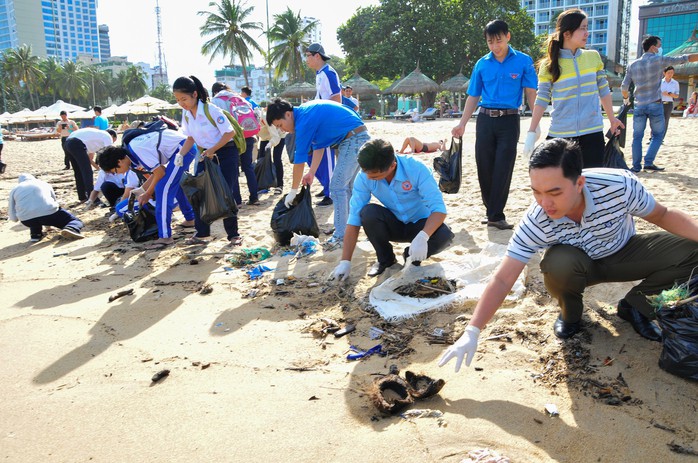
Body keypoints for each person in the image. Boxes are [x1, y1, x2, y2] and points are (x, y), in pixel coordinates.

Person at [438, 138, 698, 372]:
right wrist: (472, 331)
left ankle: (635, 306)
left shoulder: (619, 185)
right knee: (556, 263)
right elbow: (504, 278)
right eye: (536, 192)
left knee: (692, 251)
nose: (545, 203)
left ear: (579, 182)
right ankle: (570, 315)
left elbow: (662, 215)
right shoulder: (537, 219)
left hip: (624, 252)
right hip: (579, 268)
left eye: (554, 192)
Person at [452, 19, 538, 230]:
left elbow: (531, 94)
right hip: (484, 120)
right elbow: (473, 96)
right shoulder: (482, 64)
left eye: (498, 40)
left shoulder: (524, 61)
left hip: (509, 120)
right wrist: (462, 123)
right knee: (484, 166)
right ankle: (491, 210)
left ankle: (496, 215)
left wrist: (534, 126)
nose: (495, 46)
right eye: (490, 42)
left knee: (503, 166)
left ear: (508, 37)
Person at [329, 139, 454, 279]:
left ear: (392, 166)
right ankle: (386, 260)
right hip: (395, 224)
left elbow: (439, 209)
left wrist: (423, 236)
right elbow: (354, 219)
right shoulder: (364, 177)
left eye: (375, 176)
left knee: (445, 235)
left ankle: (411, 257)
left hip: (421, 225)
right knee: (368, 213)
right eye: (367, 173)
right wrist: (345, 261)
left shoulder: (416, 168)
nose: (369, 178)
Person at [524, 9, 623, 167]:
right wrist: (531, 131)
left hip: (593, 132)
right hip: (561, 134)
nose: (587, 33)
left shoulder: (593, 57)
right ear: (567, 33)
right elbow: (542, 98)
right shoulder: (548, 65)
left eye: (587, 27)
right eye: (582, 28)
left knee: (590, 184)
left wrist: (612, 119)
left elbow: (604, 90)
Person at [266, 98, 371, 248]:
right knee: (347, 189)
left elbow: (299, 159)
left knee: (337, 187)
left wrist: (293, 191)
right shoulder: (304, 114)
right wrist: (312, 172)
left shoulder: (303, 121)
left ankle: (341, 236)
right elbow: (319, 146)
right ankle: (349, 230)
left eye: (280, 125)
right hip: (355, 137)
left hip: (354, 139)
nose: (282, 130)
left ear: (288, 115)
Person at [97, 128, 199, 248]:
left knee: (163, 189)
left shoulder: (136, 150)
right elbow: (160, 172)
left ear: (119, 162)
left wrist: (147, 192)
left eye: (115, 171)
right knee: (170, 184)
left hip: (183, 149)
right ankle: (190, 218)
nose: (118, 174)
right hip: (180, 150)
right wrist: (143, 189)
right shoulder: (131, 156)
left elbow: (160, 173)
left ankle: (165, 236)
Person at [173, 75, 243, 246]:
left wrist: (213, 149)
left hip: (226, 153)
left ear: (194, 94)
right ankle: (202, 233)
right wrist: (180, 155)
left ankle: (234, 235)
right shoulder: (187, 114)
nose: (182, 103)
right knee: (200, 193)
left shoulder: (211, 110)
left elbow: (229, 133)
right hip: (205, 155)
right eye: (178, 100)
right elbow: (190, 138)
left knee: (225, 193)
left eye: (184, 99)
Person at [621, 35, 698, 173]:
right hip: (655, 104)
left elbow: (624, 87)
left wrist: (626, 100)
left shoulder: (632, 65)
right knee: (658, 135)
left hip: (639, 104)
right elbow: (684, 58)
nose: (660, 48)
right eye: (659, 45)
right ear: (653, 47)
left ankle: (636, 166)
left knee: (637, 137)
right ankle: (649, 162)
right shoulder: (659, 60)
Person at [211, 82, 259, 206]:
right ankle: (254, 197)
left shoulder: (216, 101)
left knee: (234, 170)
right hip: (249, 136)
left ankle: (237, 200)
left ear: (214, 91)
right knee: (248, 167)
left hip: (233, 139)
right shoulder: (239, 98)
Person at [305, 42, 340, 207]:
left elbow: (336, 98)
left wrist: (326, 119)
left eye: (308, 55)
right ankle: (326, 185)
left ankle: (331, 192)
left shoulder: (328, 73)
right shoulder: (320, 73)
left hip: (327, 121)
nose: (306, 59)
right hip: (320, 120)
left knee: (327, 158)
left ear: (317, 55)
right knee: (311, 153)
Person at [8, 173, 84, 242]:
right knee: (75, 220)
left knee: (34, 217)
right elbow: (53, 201)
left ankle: (35, 235)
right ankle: (72, 228)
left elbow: (11, 210)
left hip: (27, 220)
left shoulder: (15, 189)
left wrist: (15, 219)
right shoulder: (43, 183)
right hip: (49, 214)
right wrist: (48, 224)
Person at [64, 128, 117, 201]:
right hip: (76, 143)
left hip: (68, 142)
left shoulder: (93, 139)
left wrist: (100, 169)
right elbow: (110, 152)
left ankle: (82, 196)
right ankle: (92, 197)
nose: (113, 142)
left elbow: (89, 159)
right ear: (112, 136)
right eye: (114, 140)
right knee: (87, 172)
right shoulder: (107, 136)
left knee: (79, 171)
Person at [258, 115, 285, 195]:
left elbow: (276, 137)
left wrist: (270, 144)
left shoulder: (265, 117)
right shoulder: (249, 120)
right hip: (265, 137)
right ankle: (263, 185)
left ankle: (279, 185)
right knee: (261, 160)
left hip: (279, 135)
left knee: (277, 159)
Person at [660, 66, 680, 140]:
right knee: (656, 120)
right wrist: (662, 93)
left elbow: (677, 95)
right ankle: (652, 138)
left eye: (672, 73)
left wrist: (671, 94)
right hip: (659, 103)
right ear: (664, 73)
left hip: (669, 103)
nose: (670, 74)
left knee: (665, 121)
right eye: (668, 73)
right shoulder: (660, 82)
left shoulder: (675, 83)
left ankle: (661, 138)